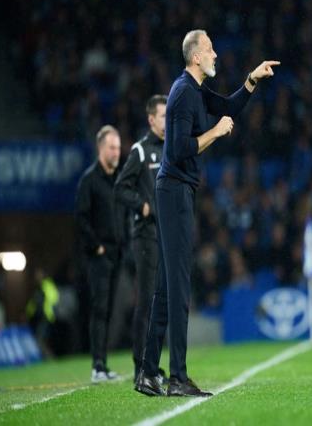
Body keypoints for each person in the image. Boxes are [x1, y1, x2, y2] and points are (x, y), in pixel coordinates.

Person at [135, 29, 279, 397]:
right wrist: (214, 133)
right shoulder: (184, 92)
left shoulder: (195, 90)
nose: (216, 54)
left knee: (167, 286)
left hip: (177, 190)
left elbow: (229, 107)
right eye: (210, 49)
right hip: (173, 190)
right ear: (196, 57)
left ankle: (148, 373)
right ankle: (177, 377)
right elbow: (179, 149)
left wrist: (251, 80)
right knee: (179, 286)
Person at [114, 94, 168, 382]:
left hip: (165, 236)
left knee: (161, 303)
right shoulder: (140, 151)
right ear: (151, 119)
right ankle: (140, 367)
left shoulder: (170, 148)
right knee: (147, 301)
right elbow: (120, 188)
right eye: (163, 117)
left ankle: (152, 364)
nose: (168, 121)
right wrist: (143, 206)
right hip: (145, 236)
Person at [76, 125, 126, 383]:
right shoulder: (89, 180)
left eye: (118, 147)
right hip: (99, 256)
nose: (116, 152)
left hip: (116, 254)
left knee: (108, 311)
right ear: (100, 148)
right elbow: (81, 219)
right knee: (99, 309)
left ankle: (103, 365)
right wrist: (97, 246)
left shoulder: (118, 179)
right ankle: (97, 365)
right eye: (111, 147)